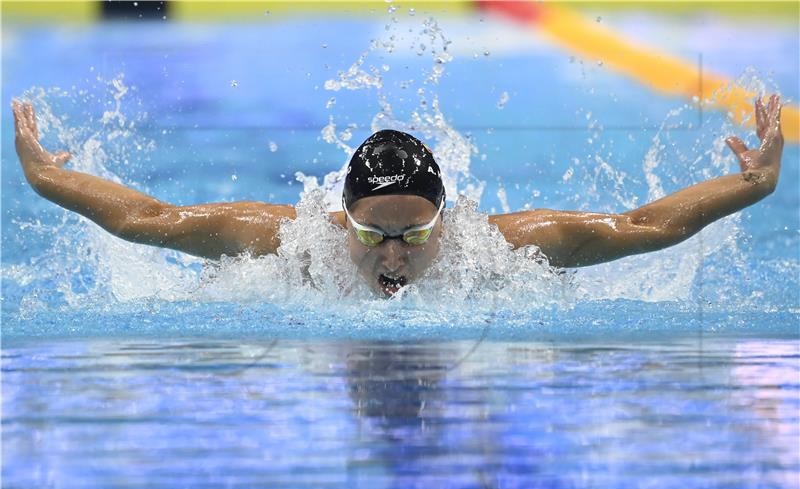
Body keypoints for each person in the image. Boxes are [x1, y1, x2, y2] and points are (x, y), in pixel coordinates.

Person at [11, 96, 784, 297]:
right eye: (372, 232)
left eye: (414, 237)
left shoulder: (497, 250)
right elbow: (153, 219)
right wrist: (48, 179)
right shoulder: (292, 245)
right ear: (337, 218)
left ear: (447, 221)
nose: (391, 256)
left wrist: (754, 185)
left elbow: (637, 226)